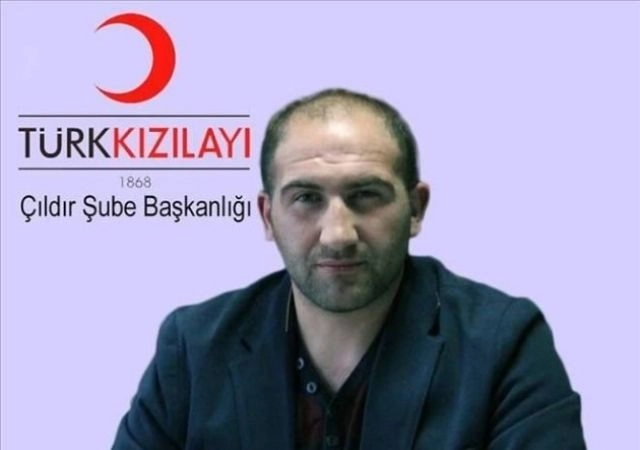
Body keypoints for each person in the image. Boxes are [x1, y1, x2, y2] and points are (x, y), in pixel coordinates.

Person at [112, 88, 586, 449]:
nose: (337, 233)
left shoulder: (503, 342)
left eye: (366, 195)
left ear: (416, 208)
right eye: (306, 198)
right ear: (267, 217)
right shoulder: (193, 347)